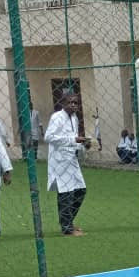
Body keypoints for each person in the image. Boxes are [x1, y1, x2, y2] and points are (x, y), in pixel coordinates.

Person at [45, 93, 93, 236]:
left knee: (80, 190)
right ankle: (67, 228)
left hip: (71, 159)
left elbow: (74, 140)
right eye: (70, 102)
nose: (73, 105)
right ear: (63, 104)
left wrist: (83, 144)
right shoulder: (57, 117)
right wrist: (74, 140)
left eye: (75, 103)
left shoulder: (74, 118)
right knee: (66, 193)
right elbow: (49, 137)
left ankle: (68, 222)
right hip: (60, 161)